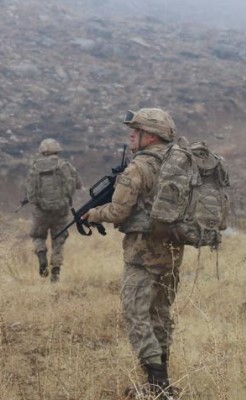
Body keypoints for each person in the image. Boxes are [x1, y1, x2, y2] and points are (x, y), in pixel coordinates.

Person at [82, 108, 183, 398]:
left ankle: (159, 385)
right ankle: (160, 382)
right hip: (173, 250)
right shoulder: (179, 163)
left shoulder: (138, 167)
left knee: (136, 315)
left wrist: (93, 214)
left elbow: (118, 211)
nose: (131, 135)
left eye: (135, 131)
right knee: (161, 313)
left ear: (150, 136)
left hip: (142, 253)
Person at [24, 138, 82, 283]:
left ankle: (41, 253)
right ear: (58, 149)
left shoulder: (35, 167)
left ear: (42, 150)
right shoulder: (65, 165)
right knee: (59, 240)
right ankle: (55, 275)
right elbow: (78, 184)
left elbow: (30, 193)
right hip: (61, 211)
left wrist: (38, 203)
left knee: (37, 236)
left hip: (41, 212)